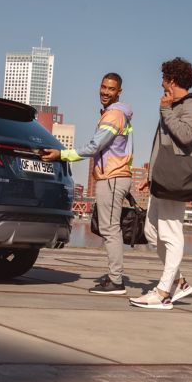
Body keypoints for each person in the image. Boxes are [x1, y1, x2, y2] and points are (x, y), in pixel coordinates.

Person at [40, 73, 134, 295]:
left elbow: (93, 147)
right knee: (110, 227)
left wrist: (62, 155)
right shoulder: (118, 115)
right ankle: (114, 276)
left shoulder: (113, 116)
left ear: (119, 92)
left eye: (111, 89)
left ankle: (116, 281)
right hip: (115, 176)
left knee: (110, 229)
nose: (105, 92)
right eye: (103, 87)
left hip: (112, 177)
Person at [130, 58, 192, 310]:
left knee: (171, 233)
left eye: (164, 78)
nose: (161, 83)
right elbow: (162, 145)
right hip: (162, 178)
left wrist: (166, 110)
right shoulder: (175, 104)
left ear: (172, 80)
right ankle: (181, 281)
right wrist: (150, 177)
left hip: (176, 179)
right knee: (151, 232)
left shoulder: (190, 104)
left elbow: (185, 135)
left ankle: (163, 293)